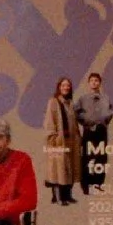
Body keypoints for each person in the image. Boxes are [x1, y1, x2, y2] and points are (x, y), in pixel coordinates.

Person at [43, 76, 82, 207]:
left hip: (71, 141)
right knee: (58, 170)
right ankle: (58, 197)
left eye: (68, 86)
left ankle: (68, 195)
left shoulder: (70, 103)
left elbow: (74, 122)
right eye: (63, 85)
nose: (66, 87)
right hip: (58, 142)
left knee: (70, 168)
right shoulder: (53, 102)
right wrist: (54, 137)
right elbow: (50, 120)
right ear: (59, 87)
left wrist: (78, 136)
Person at [76, 70, 113, 194]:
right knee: (87, 157)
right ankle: (86, 185)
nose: (94, 83)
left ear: (99, 83)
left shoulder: (105, 98)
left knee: (101, 158)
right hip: (88, 131)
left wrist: (103, 121)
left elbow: (110, 112)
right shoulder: (83, 99)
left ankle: (98, 184)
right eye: (92, 81)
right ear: (89, 83)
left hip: (102, 131)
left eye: (96, 81)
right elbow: (77, 113)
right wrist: (87, 122)